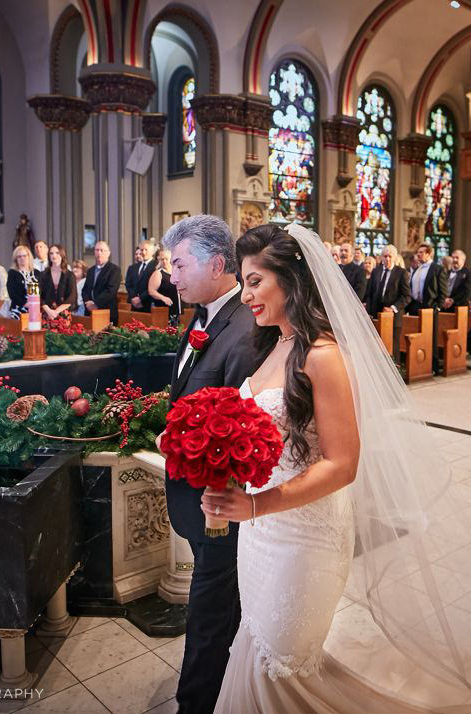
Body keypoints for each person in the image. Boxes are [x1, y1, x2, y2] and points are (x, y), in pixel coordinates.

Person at [204, 223, 471, 712]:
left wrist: (257, 503)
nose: (246, 293)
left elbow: (342, 464)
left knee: (281, 664)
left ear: (292, 280)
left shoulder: (324, 356)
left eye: (256, 281)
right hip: (259, 536)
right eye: (245, 281)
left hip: (303, 536)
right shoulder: (272, 345)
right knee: (259, 650)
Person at [160, 215, 266, 714]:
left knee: (209, 617)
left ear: (217, 263)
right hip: (197, 500)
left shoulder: (242, 330)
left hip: (218, 508)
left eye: (179, 265)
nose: (171, 277)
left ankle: (196, 706)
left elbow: (239, 430)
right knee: (220, 613)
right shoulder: (203, 317)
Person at [365, 244, 410, 317]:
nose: (387, 259)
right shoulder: (376, 271)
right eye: (385, 256)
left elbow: (406, 296)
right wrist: (369, 311)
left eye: (390, 256)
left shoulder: (401, 273)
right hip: (375, 314)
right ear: (381, 257)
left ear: (395, 258)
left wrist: (393, 308)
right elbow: (369, 293)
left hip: (393, 315)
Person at [82, 240, 122, 323]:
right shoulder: (90, 270)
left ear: (108, 253)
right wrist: (87, 303)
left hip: (106, 312)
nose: (99, 253)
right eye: (97, 250)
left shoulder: (114, 270)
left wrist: (95, 303)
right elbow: (85, 290)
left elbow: (111, 291)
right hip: (90, 312)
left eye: (102, 250)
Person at [407, 242, 448, 313]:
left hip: (430, 307)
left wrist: (438, 307)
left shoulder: (438, 269)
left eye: (421, 252)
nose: (418, 254)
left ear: (428, 254)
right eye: (418, 252)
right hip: (414, 307)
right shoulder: (417, 269)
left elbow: (443, 291)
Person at [38, 244, 76, 320]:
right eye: (51, 253)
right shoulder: (43, 274)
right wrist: (49, 311)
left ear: (62, 255)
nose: (54, 256)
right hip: (46, 314)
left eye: (57, 253)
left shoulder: (69, 275)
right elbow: (39, 296)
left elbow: (71, 297)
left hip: (64, 314)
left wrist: (56, 311)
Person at [147, 248, 181, 326]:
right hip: (165, 309)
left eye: (166, 259)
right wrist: (163, 298)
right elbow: (151, 291)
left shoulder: (177, 271)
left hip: (179, 307)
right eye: (162, 259)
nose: (164, 261)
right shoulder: (158, 273)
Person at [125, 242, 157, 313]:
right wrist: (134, 298)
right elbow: (128, 284)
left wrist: (140, 299)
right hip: (134, 305)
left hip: (148, 304)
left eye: (146, 250)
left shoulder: (156, 266)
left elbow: (154, 286)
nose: (143, 252)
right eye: (142, 250)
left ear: (152, 252)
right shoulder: (136, 266)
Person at [7, 245, 38, 316]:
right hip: (18, 310)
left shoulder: (36, 273)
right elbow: (12, 293)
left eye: (24, 256)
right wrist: (25, 304)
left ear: (29, 257)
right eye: (19, 256)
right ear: (16, 259)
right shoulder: (12, 273)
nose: (22, 258)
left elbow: (42, 292)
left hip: (35, 309)